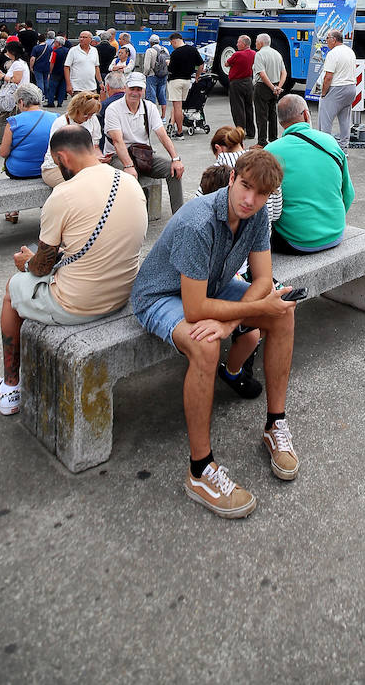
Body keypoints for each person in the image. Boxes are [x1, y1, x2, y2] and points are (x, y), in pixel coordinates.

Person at [130, 149, 297, 519]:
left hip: (213, 287)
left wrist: (230, 323)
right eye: (246, 187)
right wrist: (234, 319)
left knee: (283, 311)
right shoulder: (198, 221)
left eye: (261, 194)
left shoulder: (255, 215)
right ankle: (200, 469)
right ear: (233, 176)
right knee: (206, 346)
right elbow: (194, 310)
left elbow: (264, 279)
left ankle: (275, 425)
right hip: (162, 295)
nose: (250, 200)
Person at [0, 124, 149, 416]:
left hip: (80, 305)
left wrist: (27, 262)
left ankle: (10, 388)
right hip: (123, 292)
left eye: (57, 164)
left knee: (13, 288)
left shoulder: (63, 195)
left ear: (63, 157)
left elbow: (41, 268)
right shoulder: (129, 182)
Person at [269, 94, 354, 251]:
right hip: (335, 234)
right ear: (306, 114)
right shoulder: (330, 142)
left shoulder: (270, 152)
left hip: (294, 241)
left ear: (281, 122)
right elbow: (348, 194)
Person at [103, 72, 185, 215]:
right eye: (132, 88)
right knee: (127, 177)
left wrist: (175, 159)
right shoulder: (113, 109)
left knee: (173, 171)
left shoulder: (149, 107)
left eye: (139, 89)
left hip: (142, 155)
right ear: (126, 88)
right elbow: (117, 141)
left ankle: (179, 216)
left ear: (144, 91)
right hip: (118, 156)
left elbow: (162, 135)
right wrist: (128, 166)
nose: (135, 93)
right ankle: (129, 220)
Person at [0, 84, 58, 224]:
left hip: (19, 171)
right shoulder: (55, 117)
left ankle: (13, 210)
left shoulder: (13, 122)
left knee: (9, 161)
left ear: (21, 102)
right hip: (47, 169)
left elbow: (3, 152)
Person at [210, 125, 282, 224]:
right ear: (242, 146)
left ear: (218, 149)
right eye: (245, 186)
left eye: (262, 192)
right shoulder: (269, 168)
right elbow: (276, 214)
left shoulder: (215, 172)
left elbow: (199, 208)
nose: (249, 201)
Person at [41, 91, 104, 188]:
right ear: (77, 110)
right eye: (86, 114)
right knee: (79, 185)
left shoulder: (93, 120)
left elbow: (95, 146)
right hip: (57, 167)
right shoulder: (61, 123)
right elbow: (57, 157)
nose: (89, 117)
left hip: (83, 166)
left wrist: (99, 157)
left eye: (92, 114)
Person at [0, 42, 31, 156]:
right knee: (13, 121)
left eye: (8, 51)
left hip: (13, 97)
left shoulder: (18, 64)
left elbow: (16, 79)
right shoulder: (20, 63)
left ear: (12, 52)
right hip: (18, 97)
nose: (6, 53)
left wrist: (2, 76)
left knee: (3, 121)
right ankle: (9, 144)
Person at [317, 30, 356, 150]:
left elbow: (328, 77)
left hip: (336, 88)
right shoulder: (350, 51)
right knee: (345, 120)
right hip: (350, 88)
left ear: (334, 39)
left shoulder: (332, 54)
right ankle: (344, 148)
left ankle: (325, 149)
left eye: (327, 38)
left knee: (325, 122)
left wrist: (323, 94)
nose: (326, 41)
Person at [168, 32, 205, 137]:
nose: (172, 46)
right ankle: (178, 129)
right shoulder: (193, 50)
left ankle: (179, 132)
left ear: (174, 41)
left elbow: (170, 70)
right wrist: (197, 76)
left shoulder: (175, 53)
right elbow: (201, 64)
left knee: (177, 107)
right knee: (181, 106)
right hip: (187, 81)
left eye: (172, 44)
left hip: (175, 81)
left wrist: (168, 64)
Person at [252, 33, 286, 148]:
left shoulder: (259, 54)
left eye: (256, 41)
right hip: (276, 86)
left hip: (263, 86)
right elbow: (284, 72)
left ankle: (262, 141)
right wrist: (278, 87)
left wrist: (272, 87)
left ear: (261, 43)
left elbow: (262, 73)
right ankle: (273, 137)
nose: (255, 43)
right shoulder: (277, 54)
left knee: (261, 114)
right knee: (272, 113)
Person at [226, 35, 256, 141]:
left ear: (244, 44)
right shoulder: (254, 53)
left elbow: (226, 63)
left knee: (238, 108)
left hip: (236, 82)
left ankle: (240, 132)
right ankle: (251, 131)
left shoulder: (237, 54)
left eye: (238, 42)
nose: (237, 44)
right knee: (249, 107)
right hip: (248, 81)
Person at [64, 30, 103, 97]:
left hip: (92, 87)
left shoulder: (94, 50)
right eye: (80, 37)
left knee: (92, 106)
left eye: (84, 37)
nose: (81, 39)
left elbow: (96, 67)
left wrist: (100, 82)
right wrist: (68, 85)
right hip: (77, 87)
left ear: (90, 39)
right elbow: (66, 67)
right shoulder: (73, 50)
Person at [143, 35, 169, 119]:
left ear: (151, 42)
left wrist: (145, 74)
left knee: (151, 96)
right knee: (162, 95)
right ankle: (163, 116)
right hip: (163, 76)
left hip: (152, 75)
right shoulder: (165, 50)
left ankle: (152, 117)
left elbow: (147, 66)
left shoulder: (150, 51)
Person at [29, 29, 57, 105]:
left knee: (39, 81)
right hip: (47, 66)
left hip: (38, 67)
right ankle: (47, 95)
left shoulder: (36, 48)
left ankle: (41, 96)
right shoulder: (49, 48)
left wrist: (31, 67)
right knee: (46, 81)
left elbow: (32, 58)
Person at [46, 35, 71, 109]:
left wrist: (50, 72)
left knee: (52, 88)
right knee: (62, 88)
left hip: (55, 72)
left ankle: (51, 102)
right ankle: (60, 102)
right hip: (65, 72)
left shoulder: (55, 52)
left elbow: (52, 63)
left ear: (57, 43)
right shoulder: (68, 51)